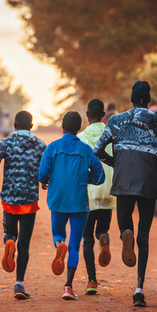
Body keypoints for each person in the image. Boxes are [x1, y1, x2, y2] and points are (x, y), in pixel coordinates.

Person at [94, 80, 157, 307]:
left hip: (123, 179)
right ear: (148, 100)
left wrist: (115, 161)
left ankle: (125, 234)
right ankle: (139, 289)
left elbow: (98, 149)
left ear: (130, 98)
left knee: (125, 224)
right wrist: (153, 160)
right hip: (147, 182)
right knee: (144, 236)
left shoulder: (116, 120)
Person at [38, 111, 105, 300]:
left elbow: (42, 172)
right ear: (79, 128)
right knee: (75, 245)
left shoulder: (52, 147)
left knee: (59, 234)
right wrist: (87, 178)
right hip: (79, 201)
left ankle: (60, 245)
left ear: (62, 127)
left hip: (58, 200)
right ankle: (68, 286)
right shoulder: (85, 150)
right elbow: (100, 175)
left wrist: (45, 180)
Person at [0, 111, 47, 300]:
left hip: (9, 199)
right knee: (25, 243)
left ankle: (8, 241)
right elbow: (46, 168)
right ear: (31, 126)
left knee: (11, 232)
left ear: (14, 125)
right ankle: (19, 284)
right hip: (29, 200)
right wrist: (44, 181)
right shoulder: (40, 145)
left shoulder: (5, 143)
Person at [77, 99, 116, 295]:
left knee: (86, 238)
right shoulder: (112, 134)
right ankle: (103, 237)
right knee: (101, 229)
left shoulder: (81, 137)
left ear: (87, 115)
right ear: (103, 115)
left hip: (88, 194)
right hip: (108, 191)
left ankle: (92, 281)